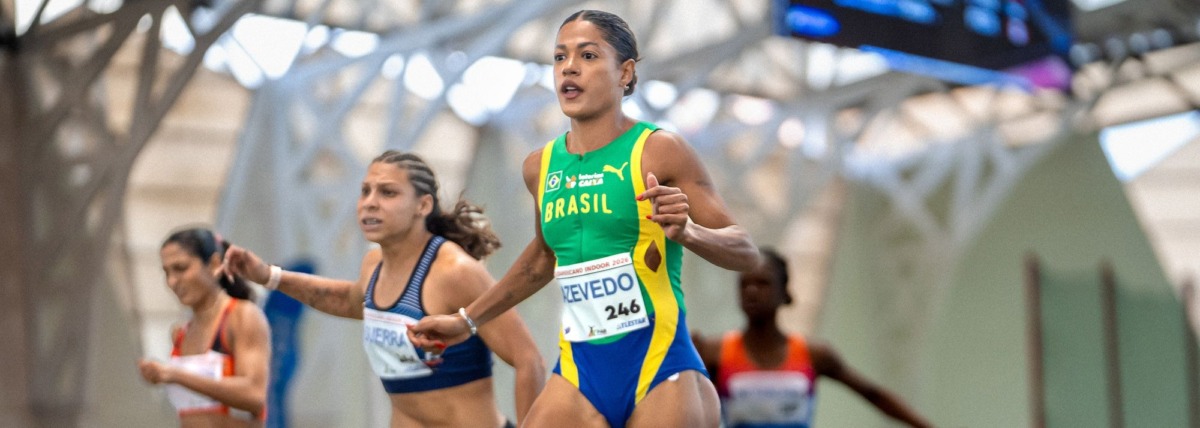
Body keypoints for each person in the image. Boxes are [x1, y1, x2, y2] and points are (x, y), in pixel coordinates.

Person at [408, 9, 761, 428]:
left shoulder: (658, 150)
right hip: (580, 372)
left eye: (589, 56)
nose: (569, 67)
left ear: (625, 73)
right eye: (560, 58)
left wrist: (690, 232)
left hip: (661, 369)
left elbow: (746, 252)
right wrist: (467, 320)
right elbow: (542, 259)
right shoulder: (540, 167)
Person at [219, 151, 545, 428]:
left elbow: (528, 360)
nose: (369, 204)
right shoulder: (373, 266)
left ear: (423, 205)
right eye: (365, 191)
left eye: (387, 193)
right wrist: (269, 276)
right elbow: (348, 300)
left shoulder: (454, 272)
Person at [692, 248, 933, 428]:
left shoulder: (814, 354)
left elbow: (874, 395)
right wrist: (685, 362)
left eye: (762, 283)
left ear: (785, 293)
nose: (752, 291)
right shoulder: (715, 352)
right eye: (744, 285)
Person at [138, 227, 271, 427]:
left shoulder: (241, 316)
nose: (173, 281)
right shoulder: (180, 333)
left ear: (215, 264)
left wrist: (175, 375)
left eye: (181, 268)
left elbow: (253, 394)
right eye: (167, 272)